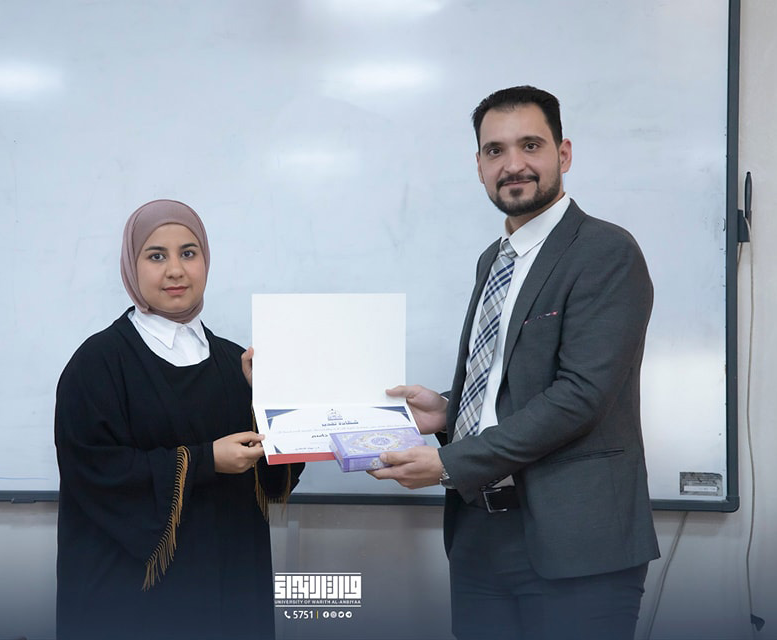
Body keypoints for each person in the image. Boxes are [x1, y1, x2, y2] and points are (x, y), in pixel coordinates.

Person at [370, 86, 660, 640]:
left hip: (577, 544)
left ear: (563, 154)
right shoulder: (495, 259)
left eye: (531, 145)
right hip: (479, 535)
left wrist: (449, 462)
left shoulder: (605, 251)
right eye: (495, 150)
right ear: (479, 166)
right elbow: (514, 382)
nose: (513, 165)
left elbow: (579, 397)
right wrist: (449, 411)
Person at [55, 199, 303, 640]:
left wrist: (276, 403)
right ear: (131, 267)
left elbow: (273, 473)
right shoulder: (97, 364)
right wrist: (206, 461)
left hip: (231, 586)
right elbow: (94, 472)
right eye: (156, 256)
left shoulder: (237, 362)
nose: (175, 270)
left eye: (189, 253)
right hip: (135, 601)